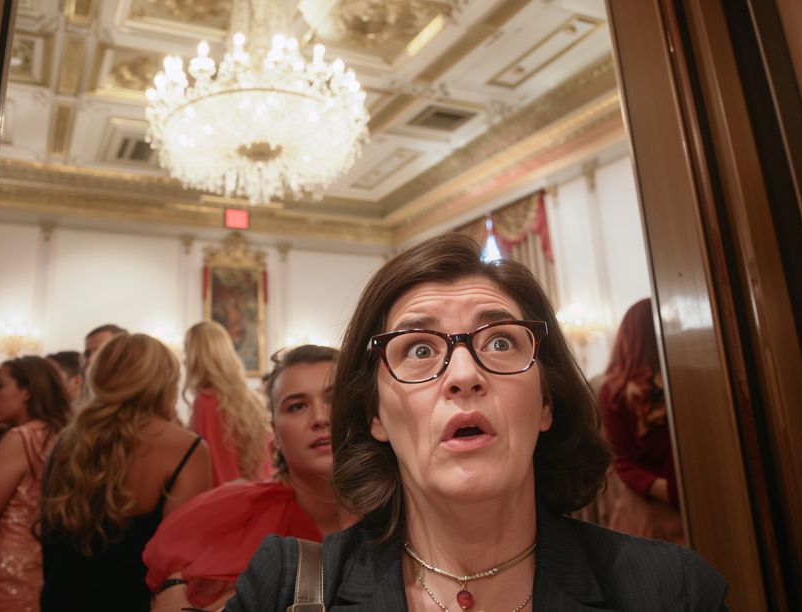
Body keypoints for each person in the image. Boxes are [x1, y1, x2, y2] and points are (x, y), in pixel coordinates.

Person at [226, 233, 726, 611]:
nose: (465, 374)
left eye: (500, 342)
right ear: (374, 415)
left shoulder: (673, 590)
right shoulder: (282, 588)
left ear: (546, 403)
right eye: (419, 349)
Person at [145, 345, 344, 610]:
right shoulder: (238, 523)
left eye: (335, 399)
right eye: (297, 406)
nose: (320, 418)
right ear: (274, 431)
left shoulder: (405, 513)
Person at [40, 333, 212, 610]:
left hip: (60, 597)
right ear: (165, 381)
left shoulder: (67, 441)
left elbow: (49, 539)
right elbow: (179, 565)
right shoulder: (187, 449)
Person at [0, 356, 71, 612]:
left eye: (0, 386)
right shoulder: (59, 435)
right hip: (40, 570)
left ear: (27, 392)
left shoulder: (20, 437)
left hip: (5, 573)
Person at [598, 298, 685, 544]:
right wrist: (669, 491)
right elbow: (624, 464)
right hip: (650, 508)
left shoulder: (681, 381)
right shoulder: (614, 393)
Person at [183, 321, 273, 486]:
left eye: (186, 353)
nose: (184, 361)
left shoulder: (206, 403)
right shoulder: (251, 399)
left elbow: (217, 474)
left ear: (197, 357)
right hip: (260, 495)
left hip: (233, 503)